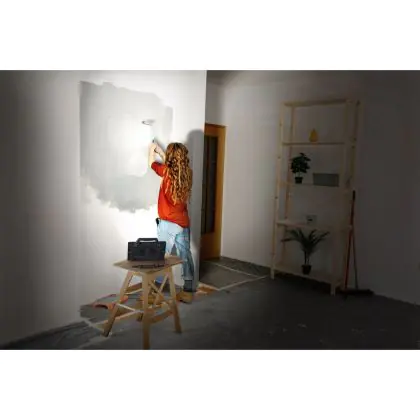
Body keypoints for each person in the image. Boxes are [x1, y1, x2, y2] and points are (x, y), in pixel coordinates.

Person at [148, 141, 195, 303]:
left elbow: (151, 164)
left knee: (161, 257)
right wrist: (162, 152)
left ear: (171, 158)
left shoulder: (166, 171)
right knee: (185, 255)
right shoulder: (188, 174)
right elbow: (174, 167)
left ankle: (155, 292)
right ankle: (188, 291)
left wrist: (152, 149)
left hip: (167, 223)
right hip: (183, 223)